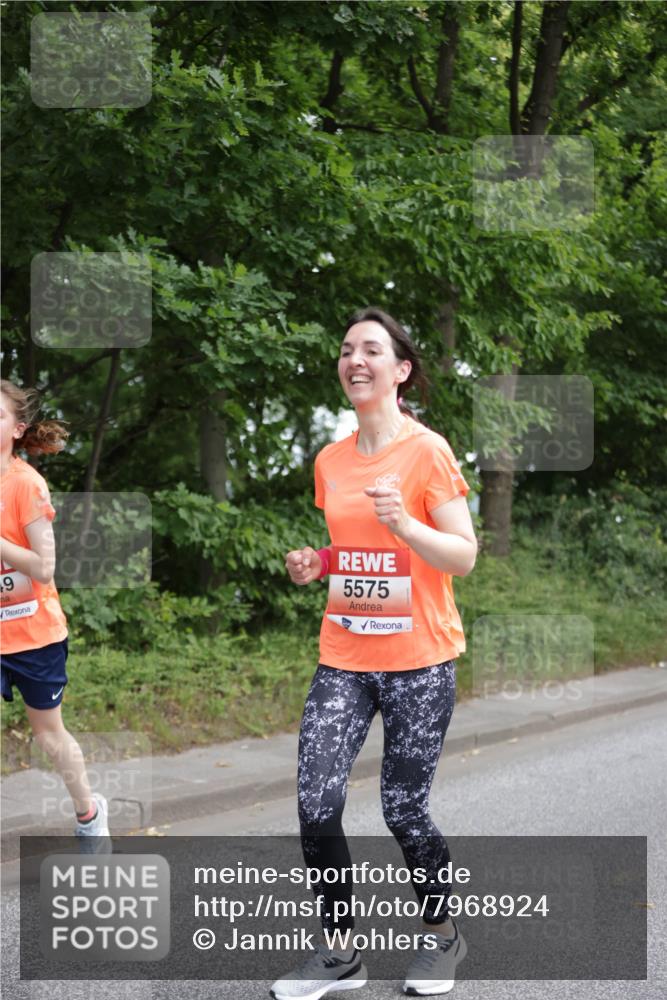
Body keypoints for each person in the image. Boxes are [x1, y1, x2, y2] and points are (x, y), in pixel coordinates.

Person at [273, 307, 477, 1000]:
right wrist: (318, 560)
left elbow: (463, 554)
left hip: (419, 659)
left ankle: (443, 934)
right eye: (345, 349)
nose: (354, 359)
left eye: (370, 350)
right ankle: (338, 954)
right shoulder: (330, 459)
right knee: (314, 800)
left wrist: (406, 523)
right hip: (344, 657)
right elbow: (357, 549)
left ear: (400, 369)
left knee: (403, 808)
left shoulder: (427, 451)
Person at [0, 379, 109, 848]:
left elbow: (44, 568)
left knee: (48, 736)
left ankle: (89, 814)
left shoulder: (26, 484)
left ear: (16, 428)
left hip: (32, 634)